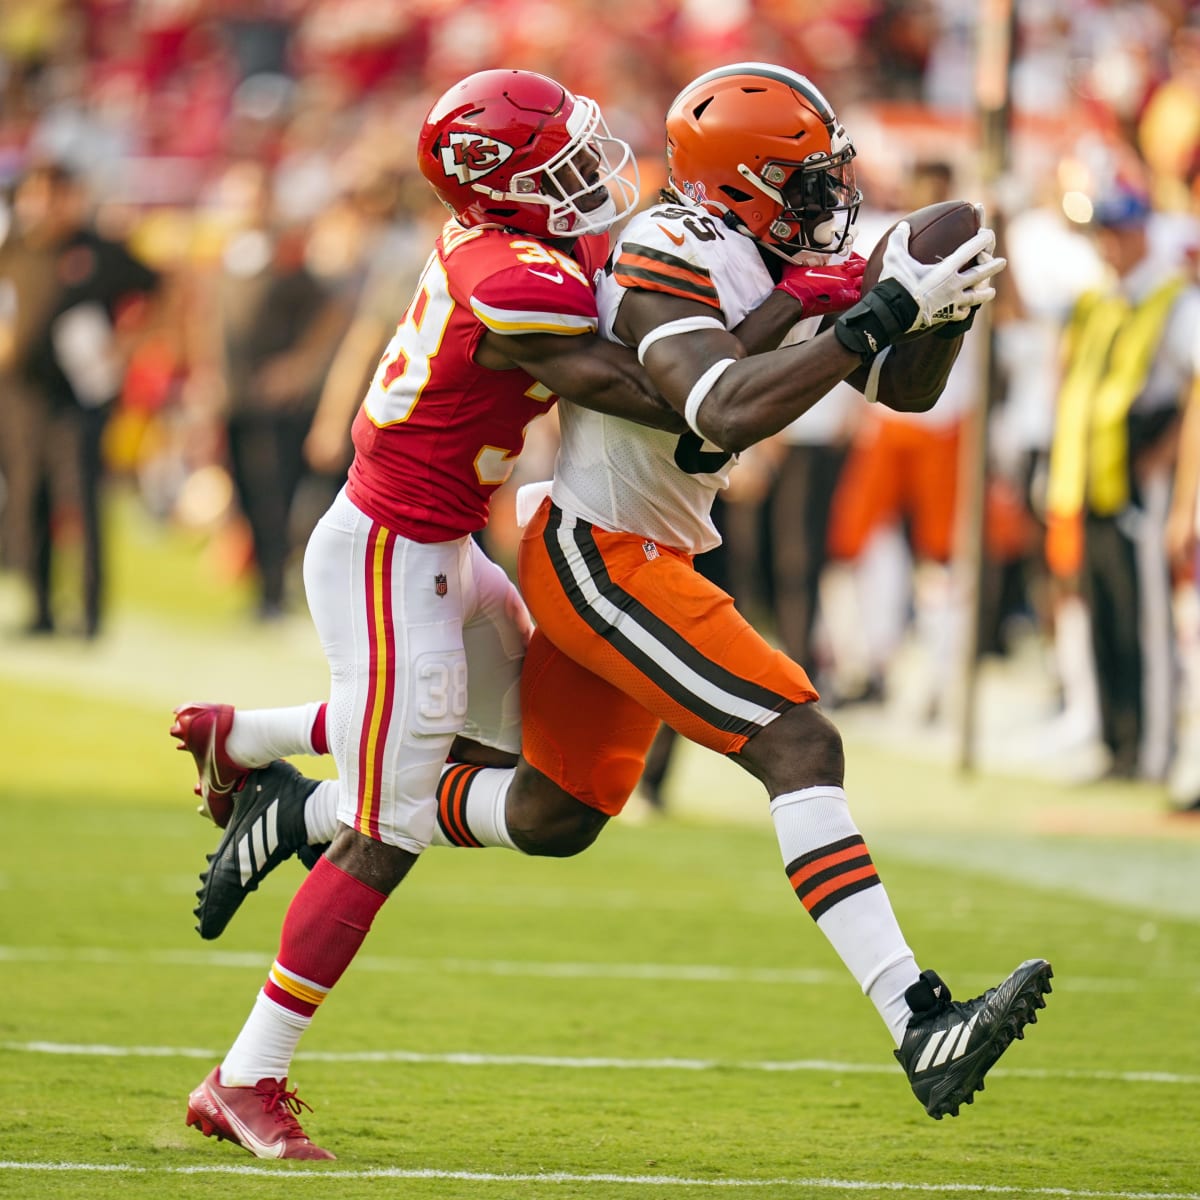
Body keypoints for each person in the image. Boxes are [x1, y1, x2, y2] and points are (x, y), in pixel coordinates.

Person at [176, 64, 1050, 1142]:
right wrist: (863, 316)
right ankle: (920, 1021)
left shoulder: (664, 248)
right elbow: (709, 411)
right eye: (804, 181)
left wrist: (934, 316)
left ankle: (273, 780)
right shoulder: (609, 262)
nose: (829, 202)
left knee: (554, 812)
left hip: (502, 543)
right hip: (511, 548)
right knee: (785, 748)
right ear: (739, 187)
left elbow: (884, 389)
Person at [178, 66, 700, 1161]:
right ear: (498, 190)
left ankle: (257, 750)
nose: (590, 177)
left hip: (436, 547)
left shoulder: (520, 243)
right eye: (558, 167)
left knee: (522, 769)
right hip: (392, 550)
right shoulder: (513, 273)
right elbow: (652, 390)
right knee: (390, 826)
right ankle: (245, 1076)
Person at [1045, 180, 1200, 782]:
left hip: (1141, 477)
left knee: (1148, 623)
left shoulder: (1174, 299)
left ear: (1139, 232)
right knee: (1107, 615)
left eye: (1115, 230)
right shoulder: (1099, 300)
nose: (1106, 243)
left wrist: (1167, 462)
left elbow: (1191, 389)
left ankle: (1155, 750)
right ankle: (1119, 745)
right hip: (1094, 477)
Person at [0, 160, 160, 637]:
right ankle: (42, 608)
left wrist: (126, 346)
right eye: (37, 195)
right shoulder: (15, 247)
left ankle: (89, 613)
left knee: (82, 500)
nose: (43, 205)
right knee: (30, 499)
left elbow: (160, 288)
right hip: (23, 395)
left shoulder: (98, 250)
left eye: (54, 195)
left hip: (79, 397)